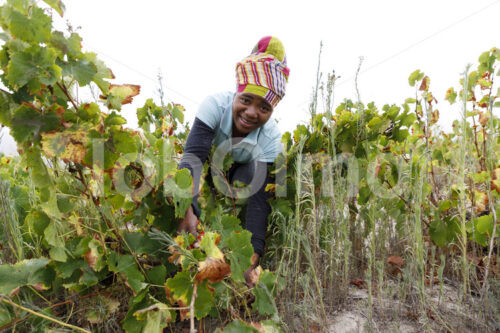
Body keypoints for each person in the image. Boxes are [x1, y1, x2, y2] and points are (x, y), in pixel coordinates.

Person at [177, 36, 290, 287]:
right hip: (208, 163)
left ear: (272, 111)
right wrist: (187, 210)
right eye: (246, 100)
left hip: (238, 172)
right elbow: (193, 159)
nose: (251, 112)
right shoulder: (215, 106)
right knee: (182, 190)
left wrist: (250, 263)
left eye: (264, 108)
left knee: (246, 181)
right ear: (236, 94)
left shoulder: (271, 138)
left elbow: (260, 203)